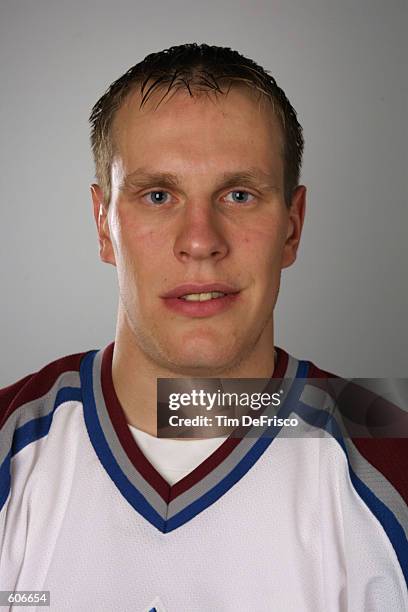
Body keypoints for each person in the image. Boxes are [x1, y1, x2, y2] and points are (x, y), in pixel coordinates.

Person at [0, 43, 406, 611]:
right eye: (158, 195)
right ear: (102, 223)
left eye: (239, 195)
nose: (200, 241)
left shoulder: (392, 451)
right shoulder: (11, 442)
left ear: (292, 226)